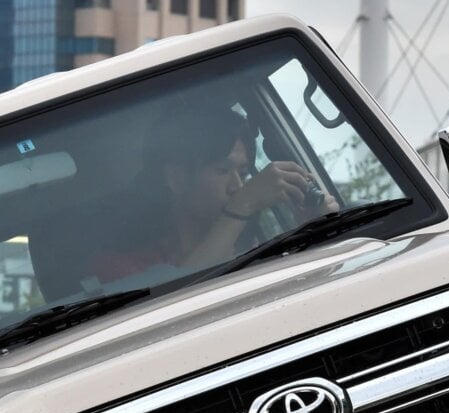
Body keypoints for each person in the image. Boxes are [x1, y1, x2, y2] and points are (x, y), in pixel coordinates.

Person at [93, 107, 336, 283]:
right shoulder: (123, 269)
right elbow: (176, 309)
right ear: (175, 179)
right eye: (222, 171)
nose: (237, 187)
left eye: (243, 173)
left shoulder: (251, 248)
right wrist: (244, 205)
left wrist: (316, 232)